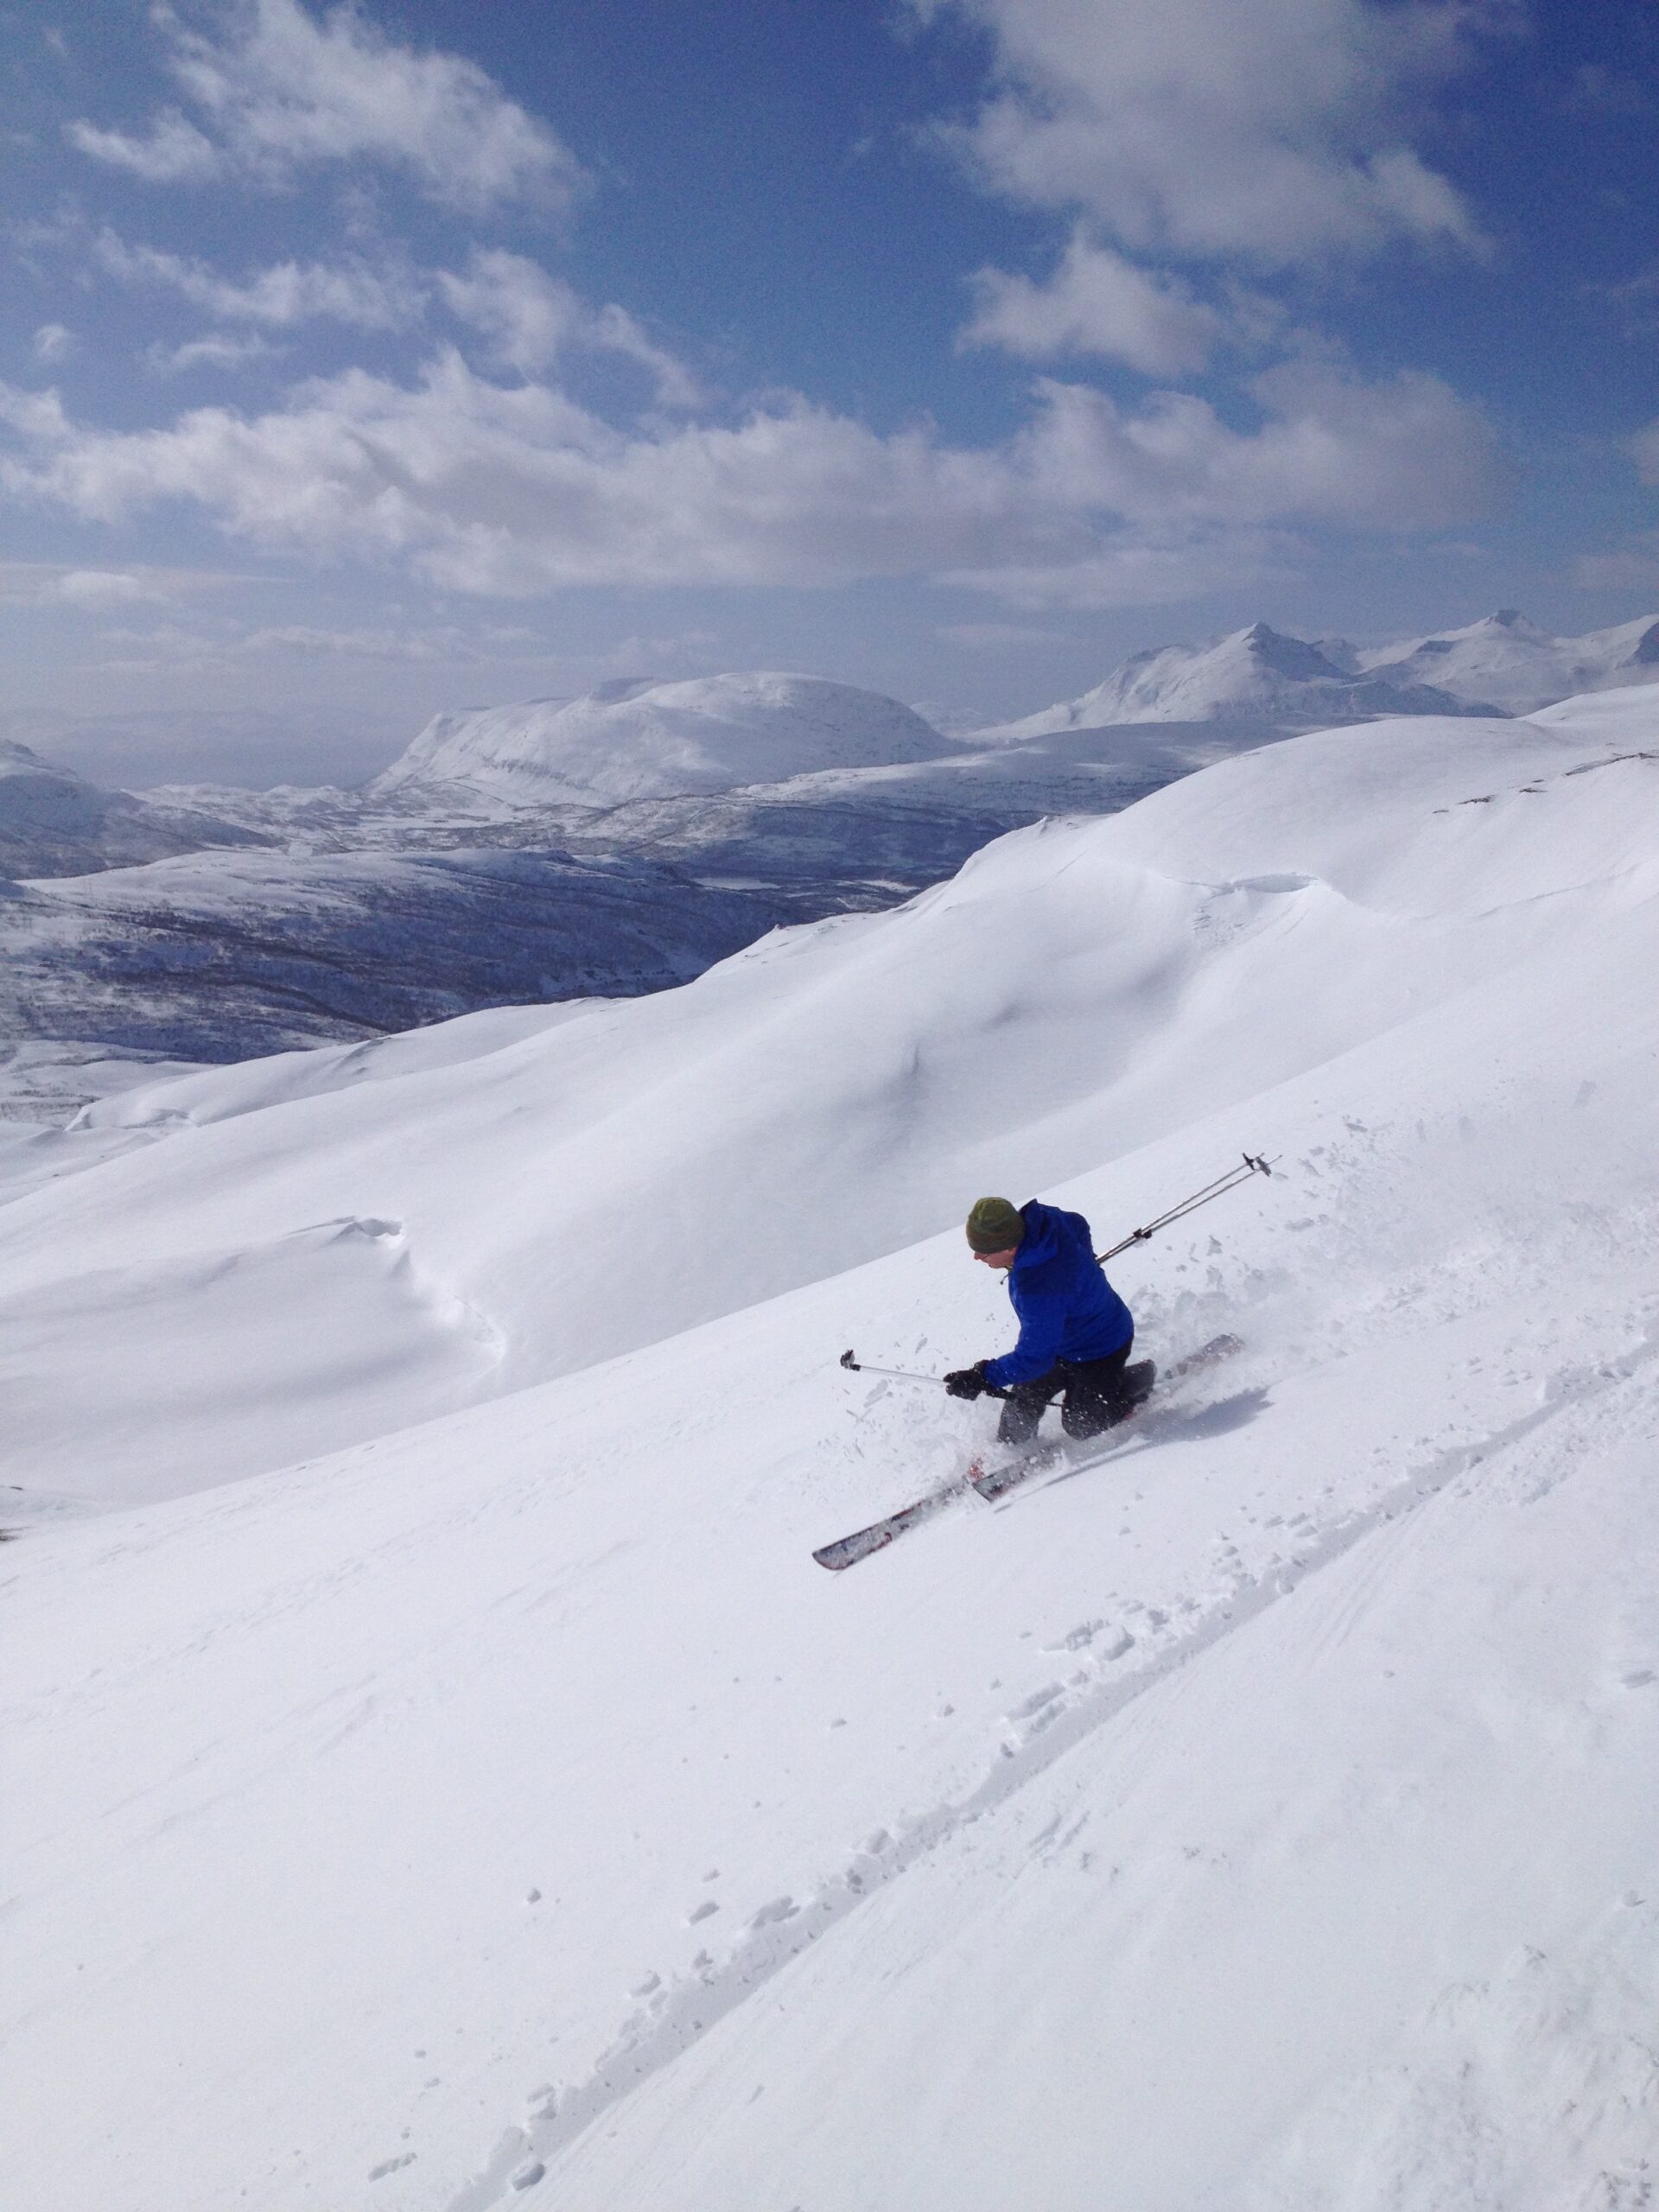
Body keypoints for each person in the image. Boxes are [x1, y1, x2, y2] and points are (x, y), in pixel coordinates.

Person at [943, 1194, 1150, 1449]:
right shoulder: (1045, 1222)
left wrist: (983, 1376)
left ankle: (1131, 1385)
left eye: (983, 1252)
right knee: (1024, 1399)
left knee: (1082, 1424)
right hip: (1061, 1342)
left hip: (1101, 1347)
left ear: (1009, 1247)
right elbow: (1078, 1223)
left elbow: (1034, 1359)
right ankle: (1008, 1448)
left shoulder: (1039, 1287)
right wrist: (1084, 1265)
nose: (977, 1257)